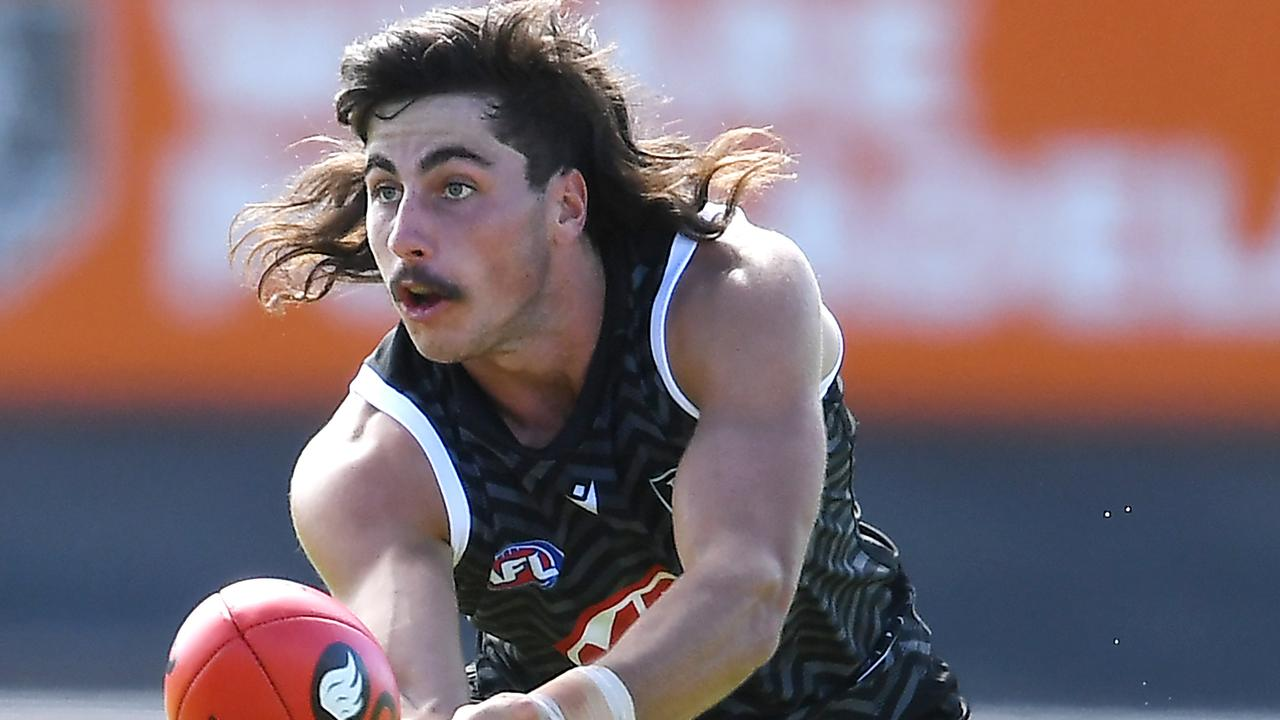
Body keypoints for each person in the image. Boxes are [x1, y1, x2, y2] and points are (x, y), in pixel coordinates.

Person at [232, 2, 967, 718]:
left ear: (567, 205)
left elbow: (747, 592)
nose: (404, 237)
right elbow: (423, 705)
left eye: (455, 187)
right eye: (386, 190)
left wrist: (558, 715)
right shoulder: (369, 469)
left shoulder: (727, 299)